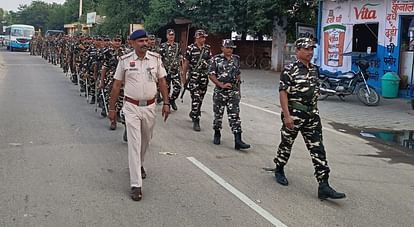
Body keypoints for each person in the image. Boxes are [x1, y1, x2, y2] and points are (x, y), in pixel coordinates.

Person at [274, 37, 346, 200]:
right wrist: (287, 116)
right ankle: (279, 167)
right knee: (286, 144)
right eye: (306, 49)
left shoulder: (314, 69)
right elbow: (283, 92)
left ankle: (324, 185)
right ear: (298, 50)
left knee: (318, 149)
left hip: (312, 116)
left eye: (312, 49)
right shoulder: (289, 69)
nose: (310, 52)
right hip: (294, 114)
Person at [108, 29, 170, 201]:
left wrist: (166, 103)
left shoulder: (156, 59)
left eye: (146, 40)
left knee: (146, 140)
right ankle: (136, 185)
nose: (144, 43)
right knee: (134, 143)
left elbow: (162, 81)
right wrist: (112, 109)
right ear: (132, 43)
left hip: (150, 107)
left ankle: (139, 164)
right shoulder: (125, 61)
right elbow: (116, 86)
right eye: (141, 41)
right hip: (131, 107)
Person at [208, 39, 250, 150]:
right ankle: (217, 133)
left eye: (231, 48)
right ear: (222, 48)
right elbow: (211, 75)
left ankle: (238, 140)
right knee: (218, 115)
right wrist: (220, 84)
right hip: (220, 92)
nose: (230, 50)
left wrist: (239, 91)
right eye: (227, 47)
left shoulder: (236, 59)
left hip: (233, 91)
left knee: (235, 116)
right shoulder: (215, 59)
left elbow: (238, 75)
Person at [182, 29, 212, 131]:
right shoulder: (190, 48)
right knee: (196, 97)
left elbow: (210, 62)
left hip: (204, 78)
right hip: (193, 78)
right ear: (197, 38)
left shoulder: (207, 49)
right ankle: (196, 119)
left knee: (201, 98)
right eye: (202, 37)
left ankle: (194, 112)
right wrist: (184, 77)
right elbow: (186, 63)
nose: (204, 39)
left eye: (204, 37)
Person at [159, 29, 182, 111]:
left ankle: (172, 100)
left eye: (172, 35)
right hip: (166, 72)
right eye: (170, 35)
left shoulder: (177, 45)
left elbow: (179, 56)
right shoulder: (163, 46)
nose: (171, 36)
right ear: (167, 36)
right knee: (166, 90)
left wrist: (180, 68)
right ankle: (167, 103)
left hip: (175, 71)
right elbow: (159, 58)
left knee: (178, 87)